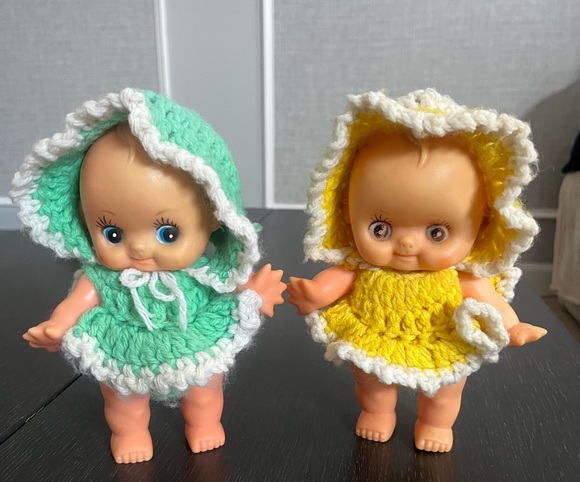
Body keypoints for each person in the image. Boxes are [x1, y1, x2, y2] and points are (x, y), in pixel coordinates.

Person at [12, 89, 285, 463]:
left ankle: (204, 424)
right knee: (123, 397)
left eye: (167, 233)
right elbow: (79, 301)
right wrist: (58, 325)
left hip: (190, 336)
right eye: (113, 233)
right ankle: (129, 433)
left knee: (205, 386)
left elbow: (228, 286)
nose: (139, 248)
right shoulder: (103, 278)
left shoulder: (198, 275)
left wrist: (254, 293)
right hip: (124, 342)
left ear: (214, 218)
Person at [287, 89, 546, 452]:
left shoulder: (460, 276)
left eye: (437, 233)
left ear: (482, 223)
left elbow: (488, 298)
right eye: (380, 228)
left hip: (442, 337)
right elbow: (337, 280)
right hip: (375, 332)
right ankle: (377, 413)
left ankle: (435, 423)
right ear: (346, 210)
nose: (407, 244)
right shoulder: (363, 267)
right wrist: (315, 294)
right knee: (373, 382)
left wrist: (512, 325)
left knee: (445, 389)